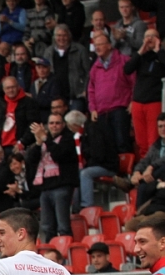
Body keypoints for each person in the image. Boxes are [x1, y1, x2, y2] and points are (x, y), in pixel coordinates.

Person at [29, 113, 77, 240]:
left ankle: (67, 249)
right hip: (45, 188)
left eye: (57, 123)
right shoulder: (45, 140)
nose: (54, 126)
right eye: (51, 123)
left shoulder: (68, 139)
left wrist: (45, 139)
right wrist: (38, 143)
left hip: (62, 186)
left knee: (63, 225)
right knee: (47, 227)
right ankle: (50, 250)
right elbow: (31, 160)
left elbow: (58, 154)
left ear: (63, 125)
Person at [125, 29, 165, 160]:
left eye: (153, 36)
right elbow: (127, 69)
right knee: (140, 141)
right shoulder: (140, 57)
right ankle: (144, 165)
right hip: (138, 103)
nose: (149, 39)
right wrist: (141, 50)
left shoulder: (161, 56)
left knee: (153, 139)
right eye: (147, 36)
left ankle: (154, 165)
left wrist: (158, 50)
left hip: (154, 102)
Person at [67, 110, 119, 210]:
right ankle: (76, 207)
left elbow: (98, 154)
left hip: (107, 165)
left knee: (85, 173)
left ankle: (87, 206)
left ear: (75, 125)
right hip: (98, 164)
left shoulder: (93, 130)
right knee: (76, 172)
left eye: (69, 126)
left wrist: (87, 164)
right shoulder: (86, 131)